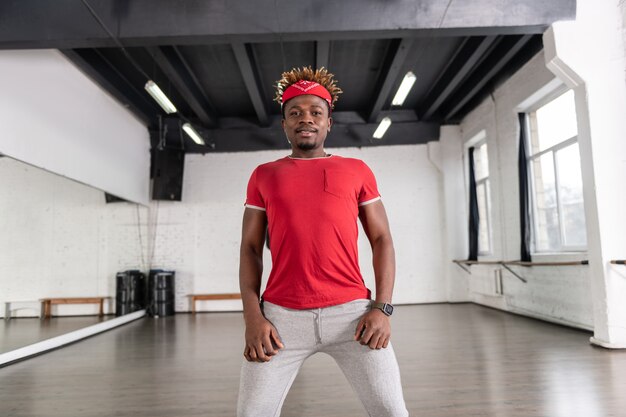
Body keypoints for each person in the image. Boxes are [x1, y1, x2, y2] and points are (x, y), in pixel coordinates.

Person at [237, 67, 408, 417]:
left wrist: (383, 308)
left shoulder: (357, 170)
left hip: (352, 318)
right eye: (295, 113)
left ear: (329, 122)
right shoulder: (264, 175)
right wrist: (253, 318)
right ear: (284, 124)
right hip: (281, 321)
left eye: (316, 112)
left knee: (392, 412)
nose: (306, 119)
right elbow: (250, 249)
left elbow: (382, 239)